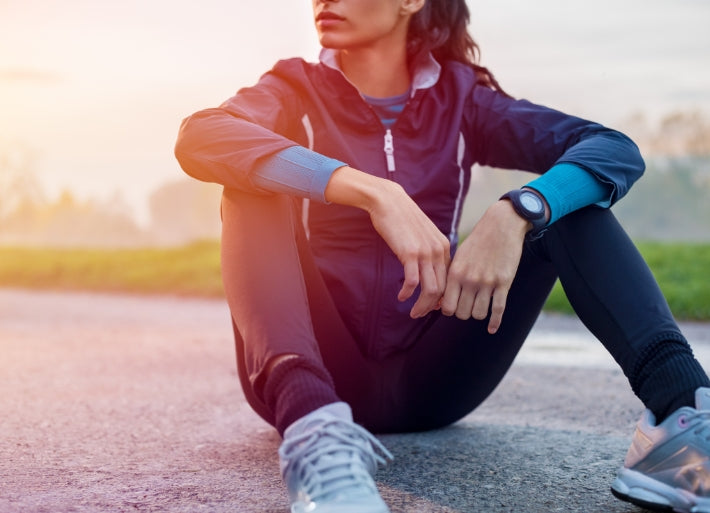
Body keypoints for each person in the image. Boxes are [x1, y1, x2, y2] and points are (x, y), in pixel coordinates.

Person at [174, 1, 710, 511]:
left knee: (569, 205)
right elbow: (202, 136)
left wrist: (519, 210)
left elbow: (613, 148)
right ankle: (316, 439)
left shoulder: (462, 100)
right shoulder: (294, 88)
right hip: (315, 368)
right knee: (247, 183)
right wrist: (369, 190)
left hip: (440, 373)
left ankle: (683, 419)